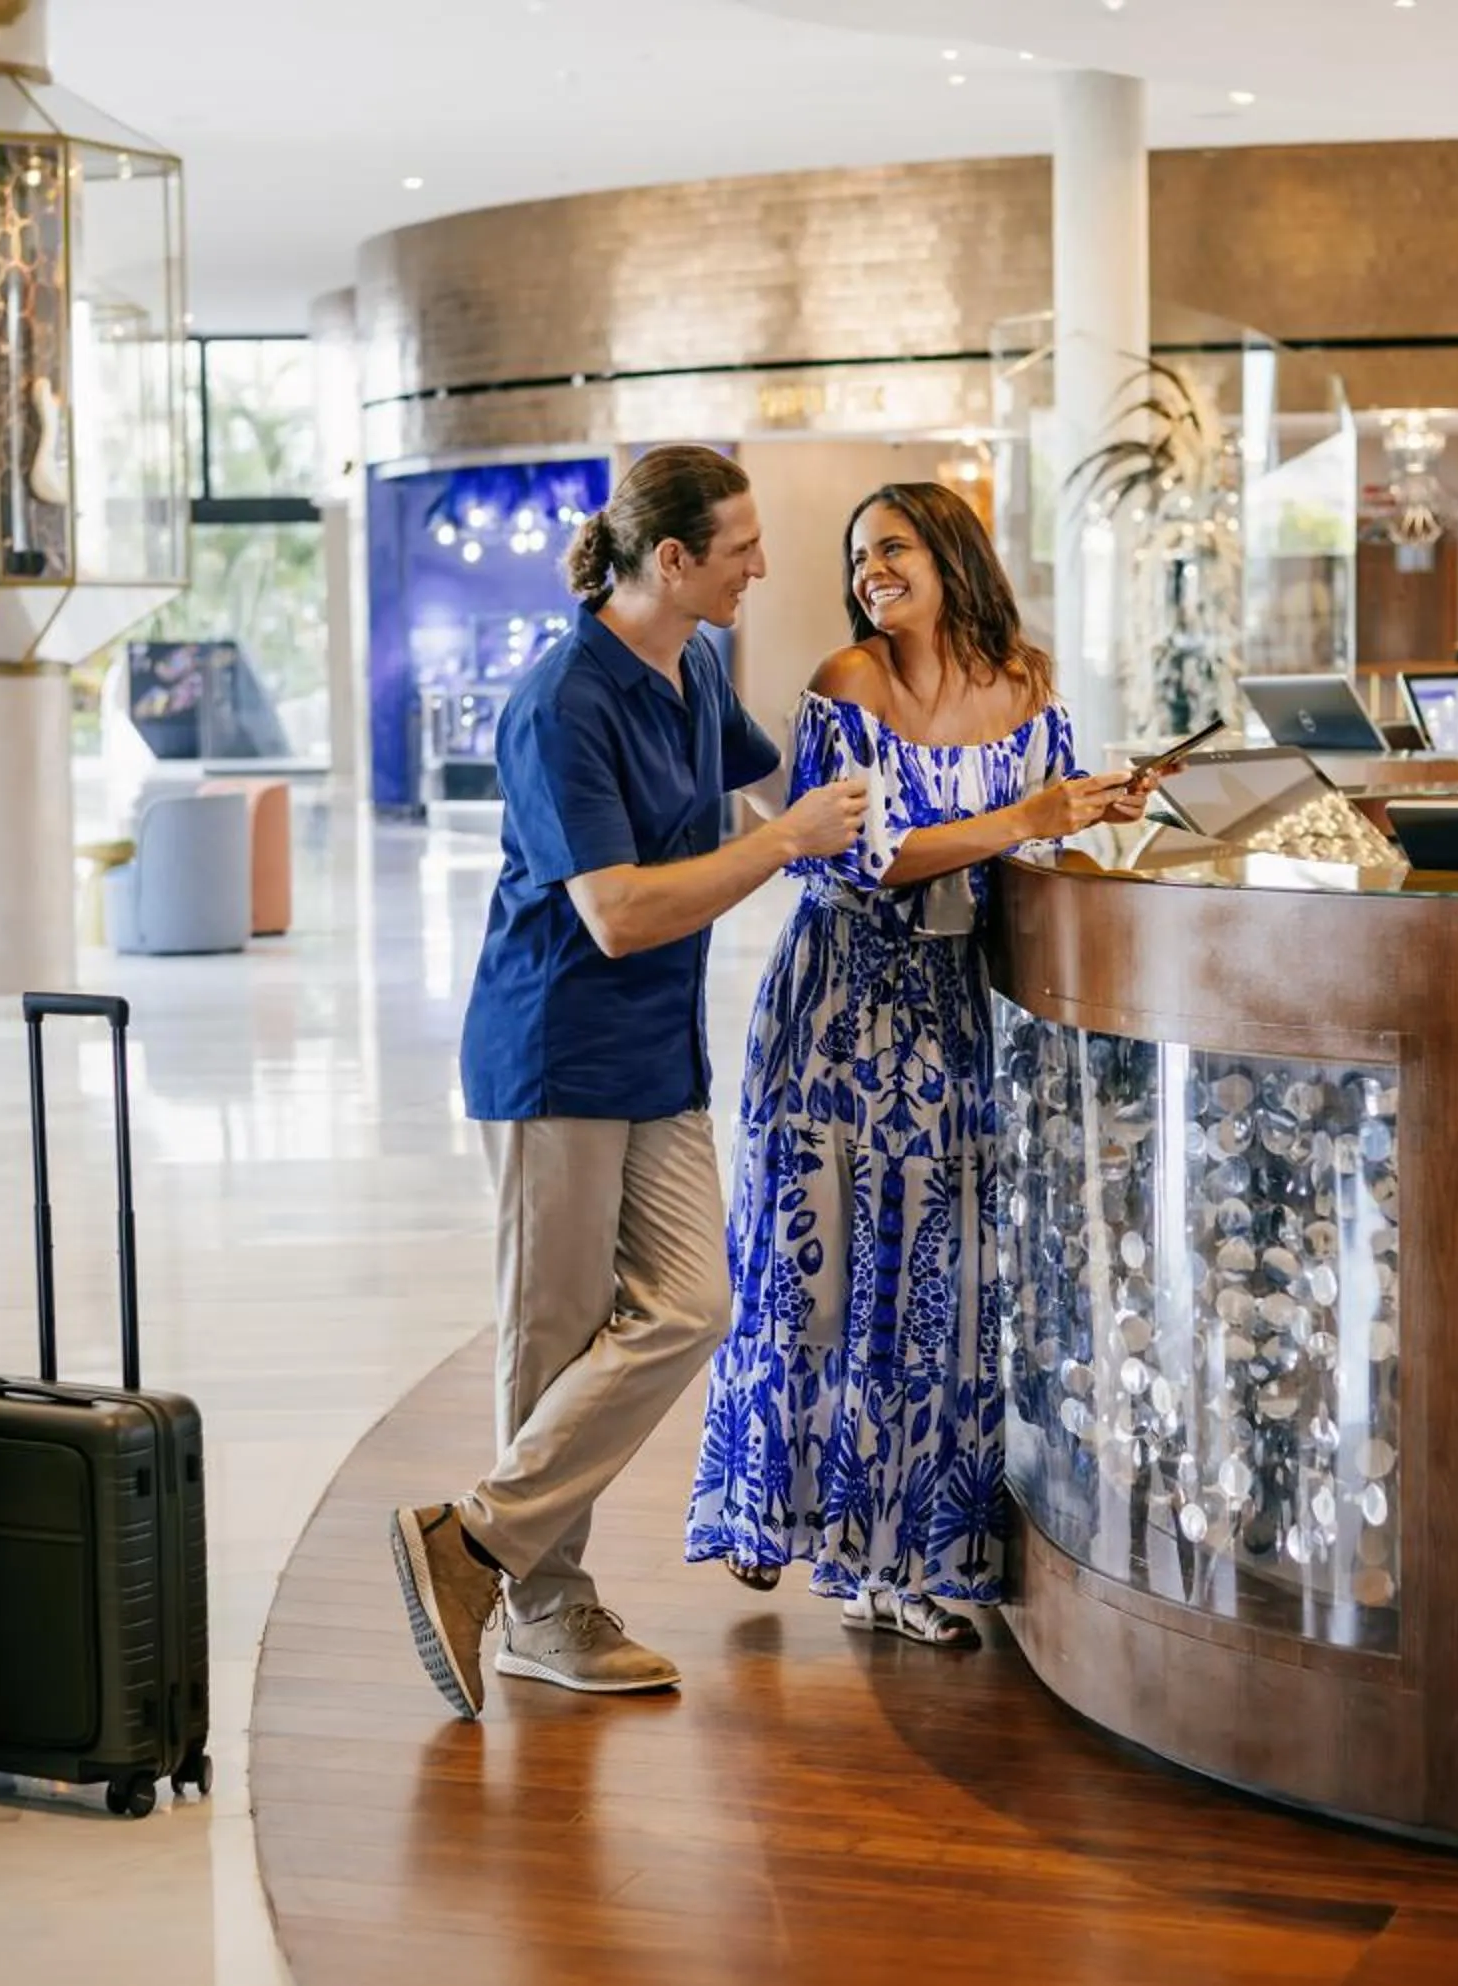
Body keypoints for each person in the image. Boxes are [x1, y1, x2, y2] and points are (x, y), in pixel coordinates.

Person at [390, 445, 871, 1721]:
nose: (763, 567)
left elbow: (772, 777)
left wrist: (913, 823)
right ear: (672, 561)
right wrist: (782, 846)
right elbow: (612, 913)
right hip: (555, 1052)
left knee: (694, 1305)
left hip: (660, 1054)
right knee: (551, 1336)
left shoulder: (696, 663)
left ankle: (476, 1539)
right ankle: (544, 1609)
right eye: (741, 550)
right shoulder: (562, 703)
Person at [683, 481, 1146, 1648]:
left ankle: (902, 1557)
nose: (868, 570)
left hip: (950, 1018)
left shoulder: (1031, 686)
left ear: (950, 553)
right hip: (836, 1014)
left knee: (936, 1291)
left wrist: (1089, 808)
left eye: (890, 547)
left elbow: (1032, 836)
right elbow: (856, 854)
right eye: (856, 555)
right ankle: (786, 1512)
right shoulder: (846, 686)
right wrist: (1022, 814)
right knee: (816, 1278)